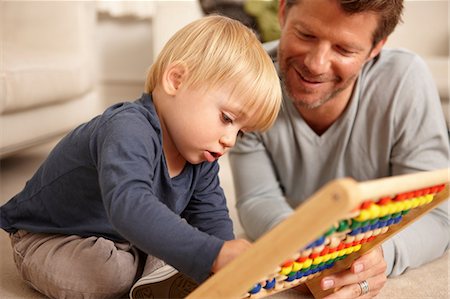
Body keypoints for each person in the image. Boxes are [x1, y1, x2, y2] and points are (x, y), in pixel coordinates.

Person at [0, 15, 282, 299]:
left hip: (121, 236)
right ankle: (147, 273)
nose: (230, 140)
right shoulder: (128, 128)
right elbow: (129, 205)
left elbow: (211, 217)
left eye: (241, 132)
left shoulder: (201, 154)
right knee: (113, 273)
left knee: (184, 241)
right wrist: (211, 255)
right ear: (176, 80)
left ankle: (151, 272)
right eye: (226, 118)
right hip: (52, 236)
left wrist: (230, 263)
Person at [229, 0, 450, 298]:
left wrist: (381, 254)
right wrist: (301, 247)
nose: (316, 64)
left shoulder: (405, 79)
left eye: (344, 50)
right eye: (306, 35)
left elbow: (436, 213)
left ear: (376, 48)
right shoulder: (249, 78)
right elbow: (257, 198)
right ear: (283, 12)